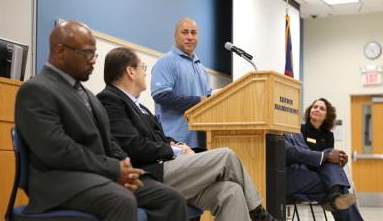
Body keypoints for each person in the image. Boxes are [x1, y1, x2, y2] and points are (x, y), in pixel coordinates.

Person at [15, 20, 189, 221]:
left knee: (171, 198)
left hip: (99, 176)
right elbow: (58, 150)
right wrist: (113, 170)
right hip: (60, 183)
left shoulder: (87, 94)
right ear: (61, 51)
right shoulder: (36, 90)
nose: (93, 61)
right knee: (121, 200)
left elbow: (108, 139)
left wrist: (124, 165)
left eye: (94, 54)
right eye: (87, 54)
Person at [97, 46, 277, 221]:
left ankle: (256, 212)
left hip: (169, 168)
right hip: (150, 173)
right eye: (143, 68)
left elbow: (156, 137)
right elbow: (132, 146)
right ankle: (258, 213)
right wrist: (172, 150)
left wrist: (175, 144)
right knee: (226, 156)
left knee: (231, 191)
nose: (145, 73)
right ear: (130, 72)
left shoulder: (139, 106)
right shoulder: (110, 100)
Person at [151, 18, 211, 151]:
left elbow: (209, 100)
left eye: (193, 33)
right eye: (185, 32)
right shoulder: (166, 62)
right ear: (175, 36)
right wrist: (199, 100)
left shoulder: (202, 68)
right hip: (176, 142)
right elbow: (161, 95)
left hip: (202, 140)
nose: (190, 37)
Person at [285, 133, 364, 221]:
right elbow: (288, 152)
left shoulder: (296, 132)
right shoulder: (276, 126)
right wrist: (325, 156)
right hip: (285, 177)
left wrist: (332, 156)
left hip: (303, 172)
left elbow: (306, 153)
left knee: (331, 157)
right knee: (332, 184)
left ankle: (334, 194)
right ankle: (334, 195)